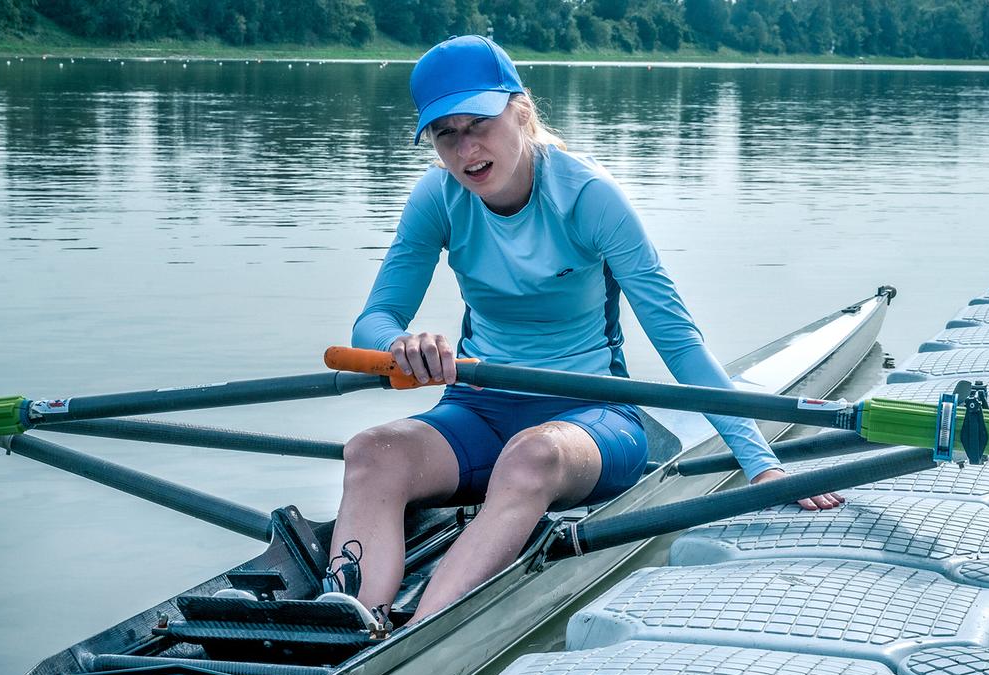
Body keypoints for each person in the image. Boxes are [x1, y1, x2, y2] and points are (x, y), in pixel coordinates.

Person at [328, 35, 842, 625]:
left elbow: (677, 340)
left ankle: (410, 641)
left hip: (592, 417)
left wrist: (760, 463)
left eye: (480, 123)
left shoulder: (590, 199)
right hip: (478, 409)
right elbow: (371, 324)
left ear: (520, 111)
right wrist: (398, 346)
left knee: (529, 457)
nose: (466, 148)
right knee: (371, 450)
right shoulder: (437, 198)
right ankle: (351, 618)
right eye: (447, 133)